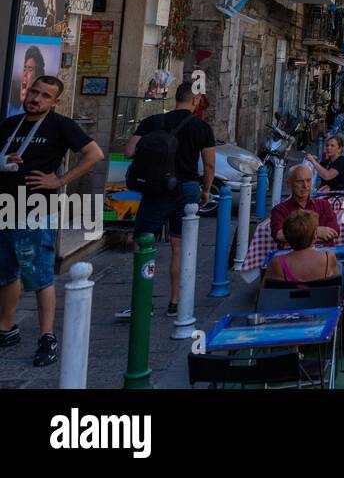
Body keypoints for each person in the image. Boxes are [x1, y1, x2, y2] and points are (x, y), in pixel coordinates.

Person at [0, 76, 104, 367]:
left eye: (45, 95)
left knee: (40, 274)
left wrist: (60, 180)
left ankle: (47, 336)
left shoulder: (60, 125)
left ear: (54, 102)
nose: (36, 98)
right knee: (6, 272)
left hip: (34, 210)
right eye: (34, 92)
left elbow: (94, 154)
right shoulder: (10, 125)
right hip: (4, 207)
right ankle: (6, 328)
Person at [116, 82, 216, 321]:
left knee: (143, 243)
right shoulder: (201, 127)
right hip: (188, 189)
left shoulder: (153, 122)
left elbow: (129, 151)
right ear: (195, 100)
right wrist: (206, 190)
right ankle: (175, 302)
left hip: (157, 189)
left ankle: (143, 301)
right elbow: (209, 164)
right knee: (179, 247)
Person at [268, 165, 344, 302]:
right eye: (300, 181)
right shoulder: (280, 210)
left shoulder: (323, 205)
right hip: (292, 256)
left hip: (323, 255)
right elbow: (278, 235)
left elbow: (334, 231)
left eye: (309, 180)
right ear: (289, 184)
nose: (305, 185)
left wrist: (295, 233)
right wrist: (317, 231)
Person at [264, 209, 340, 285]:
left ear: (287, 237)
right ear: (314, 236)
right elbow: (337, 288)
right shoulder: (328, 258)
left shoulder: (277, 262)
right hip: (320, 296)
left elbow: (263, 292)